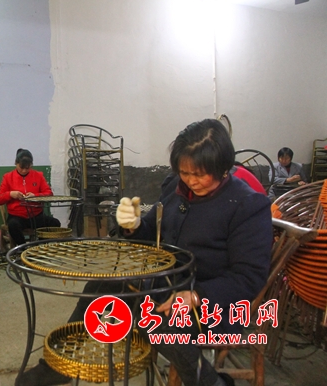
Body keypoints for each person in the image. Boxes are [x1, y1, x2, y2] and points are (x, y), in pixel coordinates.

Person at [16, 119, 273, 386]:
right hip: (165, 285)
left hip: (214, 302)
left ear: (222, 168)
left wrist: (196, 295)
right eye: (184, 172)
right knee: (100, 288)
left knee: (157, 322)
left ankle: (211, 382)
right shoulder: (176, 188)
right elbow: (151, 232)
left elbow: (249, 277)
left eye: (199, 174)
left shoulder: (247, 205)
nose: (191, 181)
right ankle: (59, 366)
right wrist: (133, 226)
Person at [0, 148, 60, 245]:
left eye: (27, 168)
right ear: (16, 163)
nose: (24, 171)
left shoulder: (38, 176)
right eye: (21, 168)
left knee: (55, 223)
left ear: (31, 165)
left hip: (36, 216)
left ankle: (39, 246)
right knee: (13, 225)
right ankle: (23, 248)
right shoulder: (8, 177)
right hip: (17, 216)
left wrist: (35, 196)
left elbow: (49, 193)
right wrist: (10, 194)